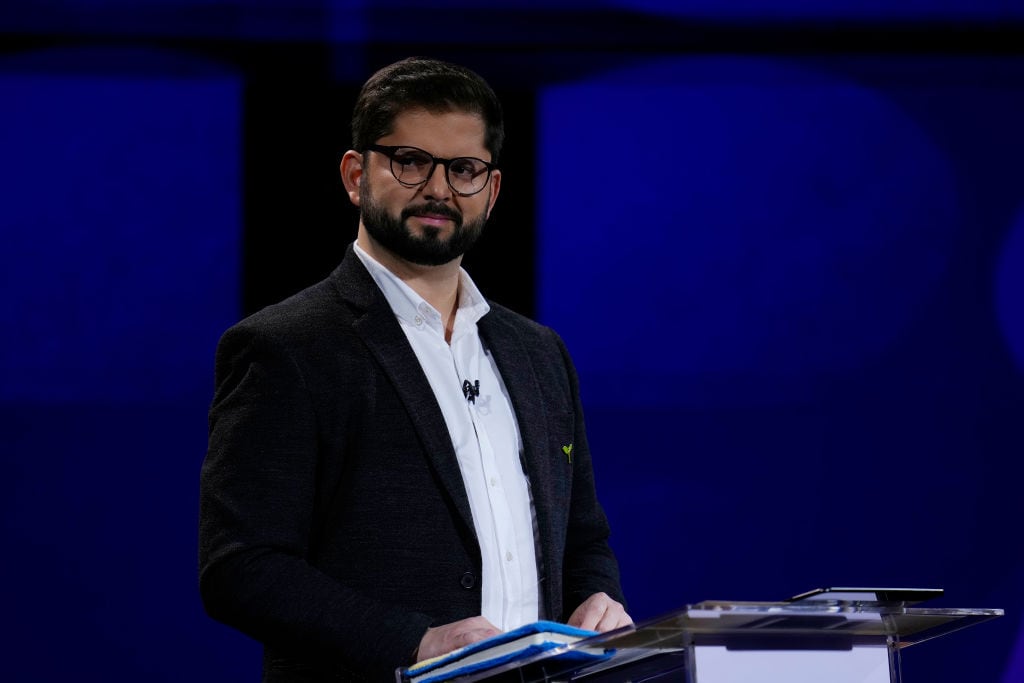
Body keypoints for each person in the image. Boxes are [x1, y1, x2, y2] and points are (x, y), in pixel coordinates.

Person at [199, 57, 630, 682]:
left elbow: (583, 538)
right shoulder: (285, 347)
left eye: (464, 170)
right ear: (356, 176)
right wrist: (415, 642)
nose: (438, 189)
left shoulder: (539, 354)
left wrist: (597, 596)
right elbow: (240, 567)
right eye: (410, 161)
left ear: (493, 190)